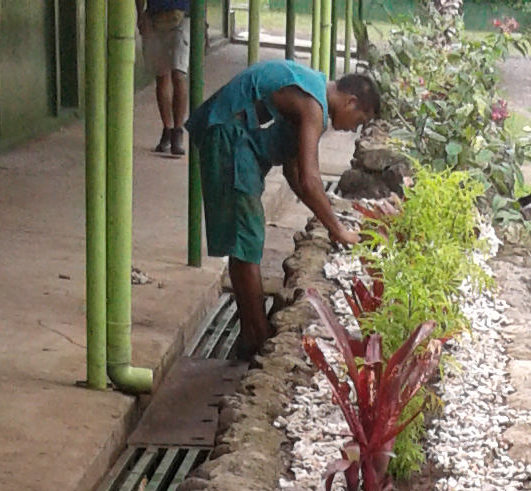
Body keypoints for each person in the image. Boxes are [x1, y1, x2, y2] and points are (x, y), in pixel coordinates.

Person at [186, 62, 381, 358]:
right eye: (359, 120)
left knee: (245, 242)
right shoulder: (313, 105)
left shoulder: (311, 90)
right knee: (247, 240)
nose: (354, 128)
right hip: (229, 139)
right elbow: (310, 179)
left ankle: (251, 334)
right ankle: (257, 338)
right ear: (350, 101)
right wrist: (339, 230)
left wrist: (330, 219)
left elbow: (294, 173)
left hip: (232, 137)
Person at [138, 0, 190, 157]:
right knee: (162, 76)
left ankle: (177, 131)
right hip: (155, 17)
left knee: (178, 75)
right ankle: (168, 129)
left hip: (183, 16)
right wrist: (140, 15)